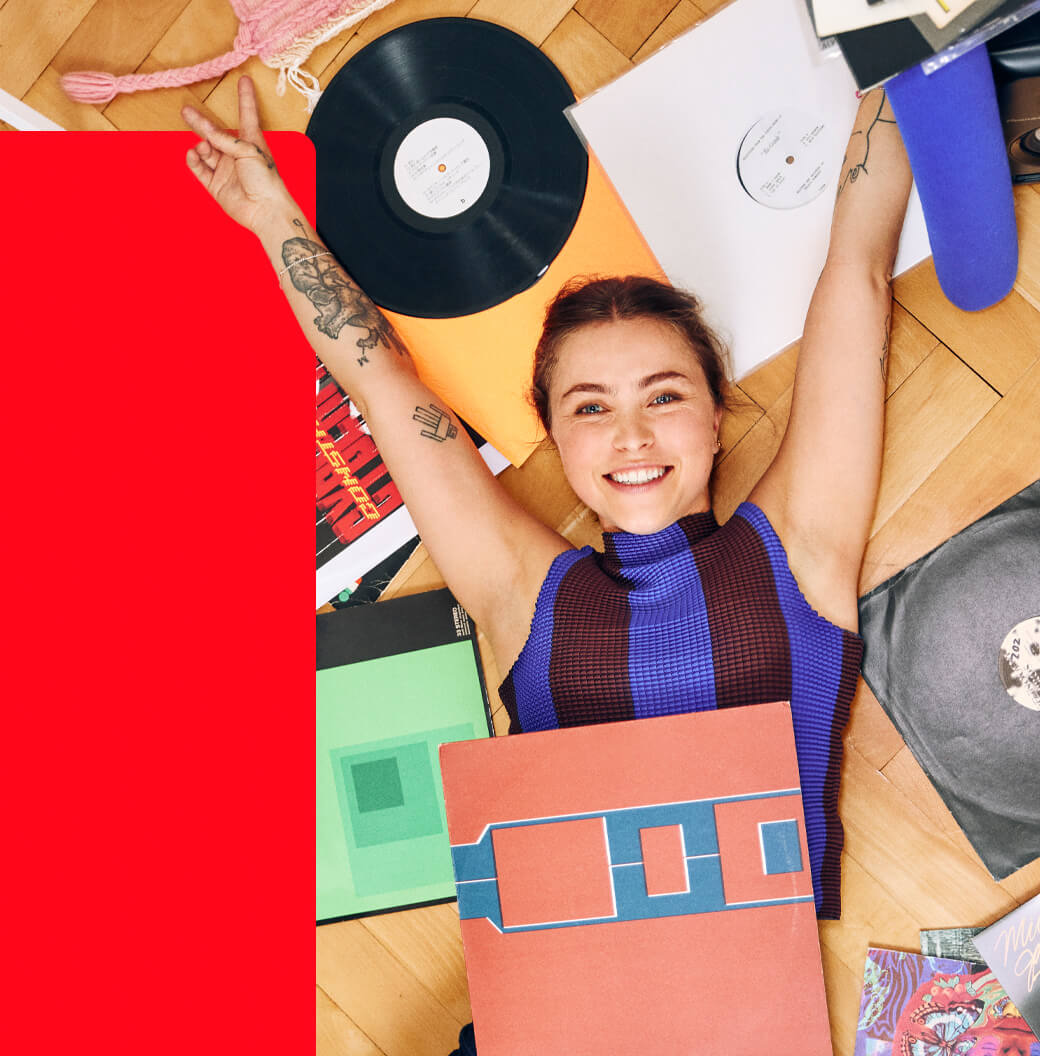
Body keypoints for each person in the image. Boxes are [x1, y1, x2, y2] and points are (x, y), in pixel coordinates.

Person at [183, 74, 910, 926]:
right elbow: (381, 384)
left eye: (665, 396)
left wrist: (905, 36)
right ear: (556, 439)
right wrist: (274, 218)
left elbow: (858, 270)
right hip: (560, 1001)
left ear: (717, 419)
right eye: (591, 408)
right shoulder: (529, 596)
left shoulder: (800, 550)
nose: (631, 436)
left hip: (741, 1003)